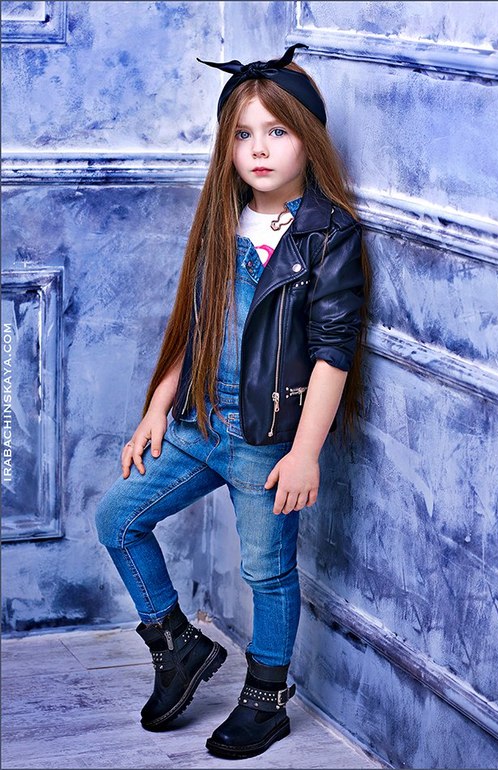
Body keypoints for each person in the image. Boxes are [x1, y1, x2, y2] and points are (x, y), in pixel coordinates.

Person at [95, 41, 369, 760]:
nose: (259, 149)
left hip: (265, 441)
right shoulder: (224, 218)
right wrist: (157, 408)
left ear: (308, 137)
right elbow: (193, 326)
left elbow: (333, 353)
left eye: (277, 131)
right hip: (200, 423)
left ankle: (266, 698)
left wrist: (305, 451)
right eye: (243, 134)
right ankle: (177, 644)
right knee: (118, 518)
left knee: (266, 572)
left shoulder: (328, 234)